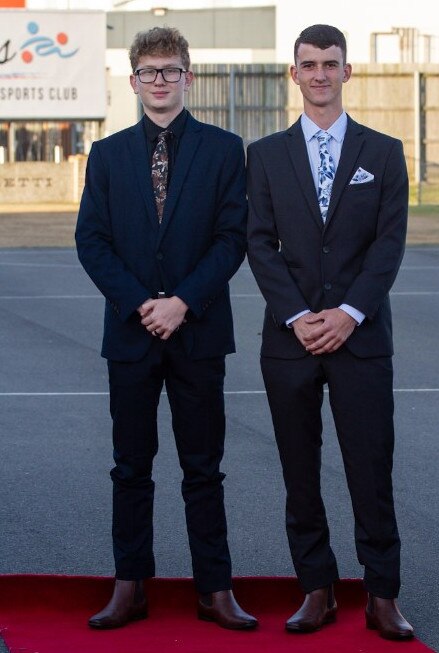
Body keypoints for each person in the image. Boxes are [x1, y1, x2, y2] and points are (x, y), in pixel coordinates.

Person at [75, 26, 257, 631]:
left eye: (171, 70)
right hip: (130, 336)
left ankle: (215, 588)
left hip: (198, 333)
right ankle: (130, 586)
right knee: (131, 466)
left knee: (204, 467)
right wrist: (140, 303)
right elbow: (91, 241)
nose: (160, 80)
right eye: (150, 71)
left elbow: (233, 238)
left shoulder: (226, 149)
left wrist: (182, 301)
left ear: (188, 77)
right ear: (133, 81)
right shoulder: (107, 155)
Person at [246, 24, 413, 640]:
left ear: (348, 71)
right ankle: (315, 588)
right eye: (309, 64)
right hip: (289, 340)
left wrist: (349, 313)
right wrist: (297, 315)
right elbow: (259, 243)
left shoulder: (383, 152)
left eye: (331, 63)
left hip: (361, 338)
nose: (320, 73)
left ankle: (382, 594)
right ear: (294, 74)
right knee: (299, 469)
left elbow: (388, 244)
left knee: (372, 467)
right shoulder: (264, 155)